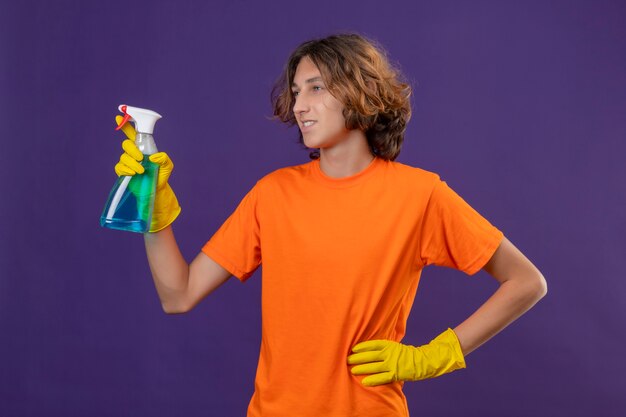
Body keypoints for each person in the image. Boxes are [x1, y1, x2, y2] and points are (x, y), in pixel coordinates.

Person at [113, 33, 547, 417]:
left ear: (362, 92)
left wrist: (434, 356)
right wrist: (151, 209)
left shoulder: (420, 195)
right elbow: (179, 295)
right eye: (297, 91)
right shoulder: (273, 193)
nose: (299, 105)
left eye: (316, 88)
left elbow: (526, 282)